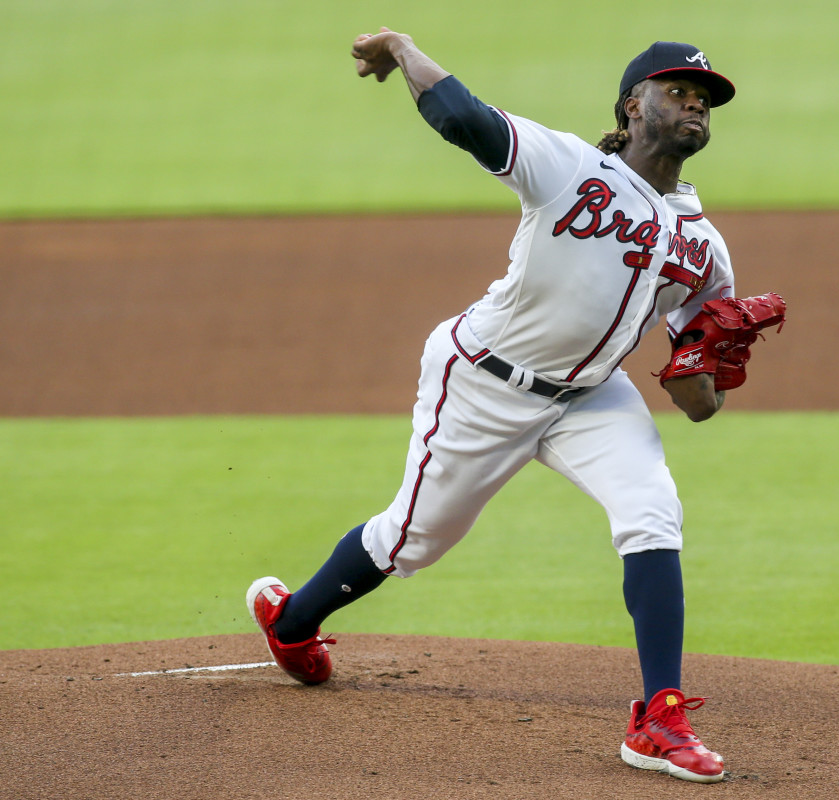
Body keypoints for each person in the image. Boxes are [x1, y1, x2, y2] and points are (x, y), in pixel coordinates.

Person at [248, 31, 743, 784]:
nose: (694, 104)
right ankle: (291, 625)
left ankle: (659, 717)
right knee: (410, 541)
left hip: (592, 395)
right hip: (482, 380)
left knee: (652, 510)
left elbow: (697, 403)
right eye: (677, 90)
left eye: (703, 98)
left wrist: (703, 369)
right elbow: (466, 120)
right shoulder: (573, 166)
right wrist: (405, 51)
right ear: (631, 106)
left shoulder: (706, 251)